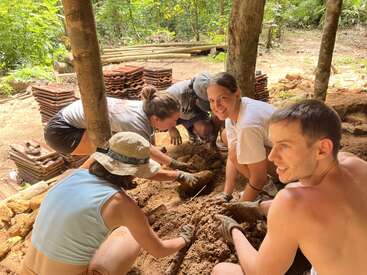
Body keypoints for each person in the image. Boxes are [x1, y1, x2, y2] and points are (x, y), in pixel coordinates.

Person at [213, 99, 367, 275]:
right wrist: (259, 207)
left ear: (322, 149)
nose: (271, 156)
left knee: (222, 270)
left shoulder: (290, 203)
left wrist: (234, 230)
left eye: (284, 146)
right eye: (273, 144)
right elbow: (319, 203)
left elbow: (260, 273)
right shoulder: (356, 165)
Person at [20, 131, 195, 275]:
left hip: (27, 269)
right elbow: (159, 250)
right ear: (134, 172)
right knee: (127, 234)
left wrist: (176, 175)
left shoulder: (71, 175)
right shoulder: (120, 203)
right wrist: (184, 239)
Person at [44, 86, 191, 171]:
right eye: (173, 121)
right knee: (115, 155)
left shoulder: (146, 107)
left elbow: (147, 141)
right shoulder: (135, 123)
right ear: (156, 119)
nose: (174, 125)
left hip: (69, 121)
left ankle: (83, 175)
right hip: (61, 132)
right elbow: (145, 150)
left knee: (116, 148)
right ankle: (82, 179)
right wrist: (174, 164)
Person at [207, 72, 276, 202]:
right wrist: (226, 194)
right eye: (211, 100)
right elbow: (232, 156)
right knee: (232, 147)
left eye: (222, 98)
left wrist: (240, 207)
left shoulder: (247, 124)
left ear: (237, 94)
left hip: (296, 167)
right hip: (277, 154)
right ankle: (266, 188)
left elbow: (258, 178)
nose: (217, 106)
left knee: (239, 150)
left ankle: (270, 190)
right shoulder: (234, 111)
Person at [167, 72, 220, 145]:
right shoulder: (176, 94)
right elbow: (161, 111)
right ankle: (190, 129)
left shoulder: (214, 96)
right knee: (160, 122)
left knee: (205, 130)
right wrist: (171, 128)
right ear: (194, 95)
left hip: (193, 114)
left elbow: (217, 117)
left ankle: (192, 131)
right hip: (173, 115)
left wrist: (213, 140)